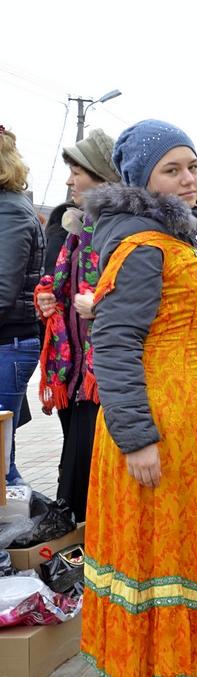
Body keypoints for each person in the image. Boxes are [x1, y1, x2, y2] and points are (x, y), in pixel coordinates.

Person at [82, 120, 197, 677]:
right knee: (167, 555)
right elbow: (112, 344)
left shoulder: (173, 238)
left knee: (189, 551)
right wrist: (136, 439)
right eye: (171, 170)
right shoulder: (142, 247)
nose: (188, 180)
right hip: (161, 424)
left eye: (191, 167)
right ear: (142, 179)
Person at [34, 129, 121, 521]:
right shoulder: (77, 228)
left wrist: (100, 306)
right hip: (77, 375)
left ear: (103, 178)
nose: (69, 181)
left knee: (94, 479)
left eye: (76, 172)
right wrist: (48, 298)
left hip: (104, 375)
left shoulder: (114, 229)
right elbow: (60, 288)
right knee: (78, 471)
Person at [0, 124, 44, 488]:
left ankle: (17, 537)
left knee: (1, 459)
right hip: (6, 342)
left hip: (8, 343)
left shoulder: (9, 211)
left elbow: (3, 289)